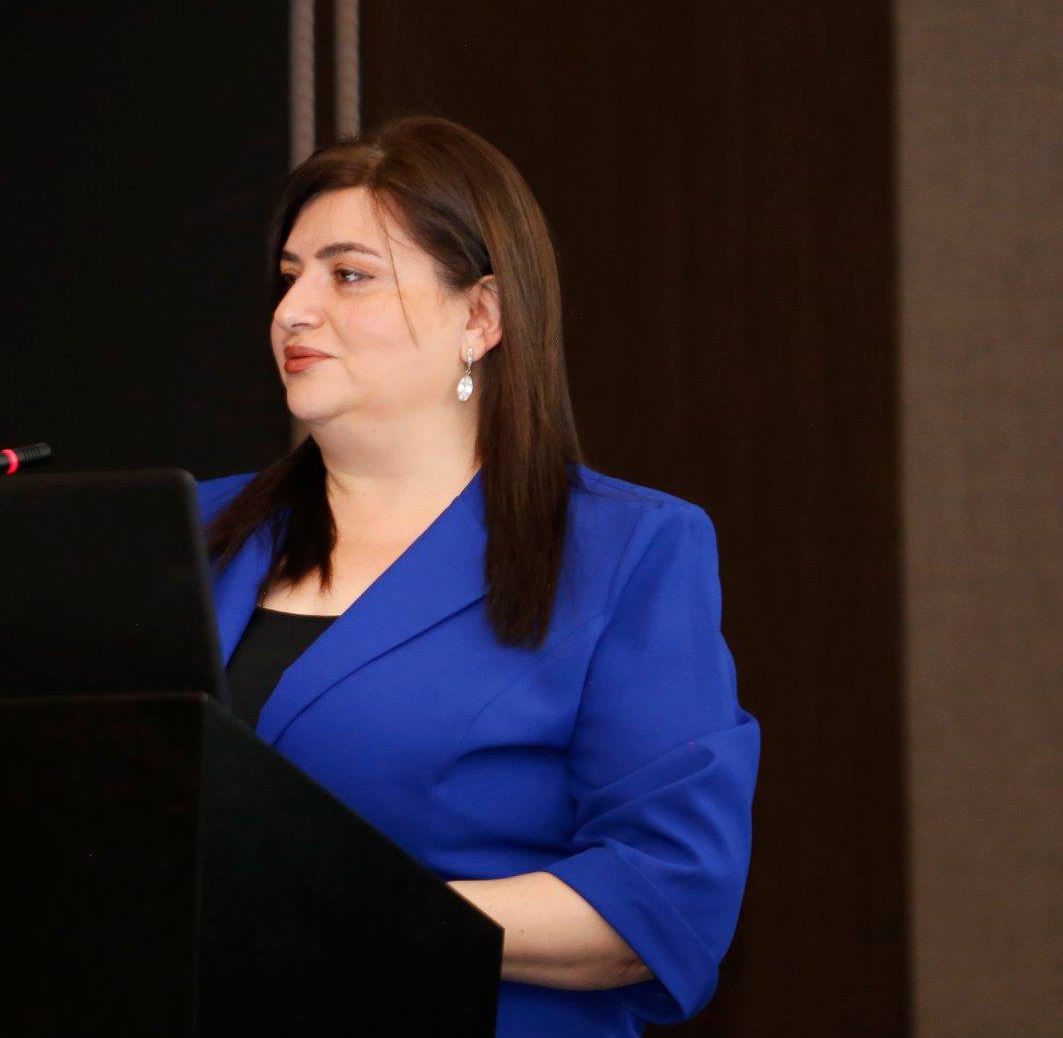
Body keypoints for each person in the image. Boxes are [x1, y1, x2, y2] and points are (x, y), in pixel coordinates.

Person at [197, 115, 759, 1037]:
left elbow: (663, 898)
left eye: (348, 274)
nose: (293, 310)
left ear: (480, 316)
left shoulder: (624, 549)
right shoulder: (190, 530)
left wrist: (360, 917)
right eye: (289, 276)